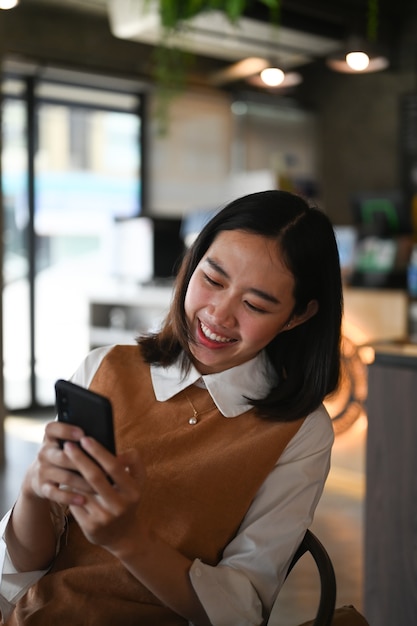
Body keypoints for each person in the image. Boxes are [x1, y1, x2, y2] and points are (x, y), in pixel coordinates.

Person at [0, 189, 343, 626]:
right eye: (213, 280)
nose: (219, 314)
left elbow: (243, 609)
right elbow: (22, 572)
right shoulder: (104, 367)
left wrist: (128, 540)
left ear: (297, 316)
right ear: (191, 264)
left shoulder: (300, 431)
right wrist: (34, 488)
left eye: (255, 304)